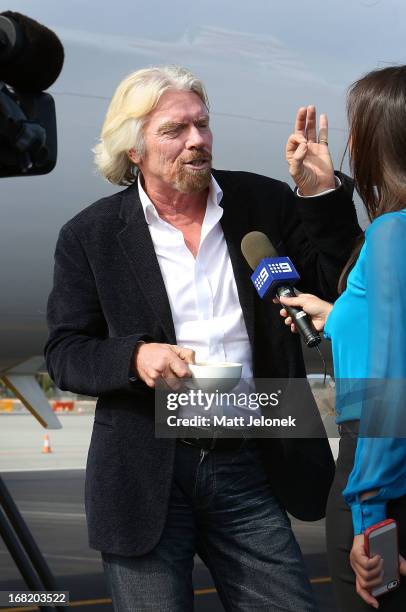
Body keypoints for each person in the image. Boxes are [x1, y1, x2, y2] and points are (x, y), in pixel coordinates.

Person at [44, 65, 360, 611]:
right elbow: (66, 351)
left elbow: (341, 283)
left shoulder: (263, 205)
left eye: (202, 125)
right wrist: (135, 357)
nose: (196, 141)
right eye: (175, 130)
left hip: (250, 461)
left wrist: (321, 193)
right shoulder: (90, 235)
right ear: (133, 149)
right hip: (147, 472)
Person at [278, 65, 406, 611]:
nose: (351, 142)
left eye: (358, 127)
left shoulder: (392, 234)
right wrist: (341, 318)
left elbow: (390, 392)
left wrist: (370, 514)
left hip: (383, 481)